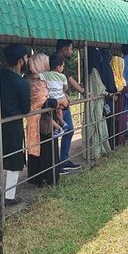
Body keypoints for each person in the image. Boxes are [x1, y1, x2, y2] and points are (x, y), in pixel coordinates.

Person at [0, 45, 31, 205]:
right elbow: (26, 109)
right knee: (14, 161)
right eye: (26, 58)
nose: (27, 61)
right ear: (20, 60)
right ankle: (9, 196)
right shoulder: (22, 83)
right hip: (12, 126)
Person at [26, 54, 66, 186]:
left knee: (41, 148)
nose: (48, 65)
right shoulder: (37, 83)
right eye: (45, 62)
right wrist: (60, 101)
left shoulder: (33, 79)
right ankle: (47, 179)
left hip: (39, 118)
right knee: (47, 149)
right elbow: (44, 102)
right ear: (39, 64)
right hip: (42, 119)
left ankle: (38, 178)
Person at [52, 40, 82, 172]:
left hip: (61, 103)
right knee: (62, 132)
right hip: (58, 104)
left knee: (67, 130)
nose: (71, 52)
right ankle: (58, 162)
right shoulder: (57, 62)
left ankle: (62, 160)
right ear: (64, 49)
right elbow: (69, 80)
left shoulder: (57, 61)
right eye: (70, 49)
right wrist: (82, 91)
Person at [86, 47, 111, 159]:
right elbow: (101, 89)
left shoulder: (87, 69)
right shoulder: (95, 70)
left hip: (91, 101)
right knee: (98, 126)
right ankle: (97, 152)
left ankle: (91, 151)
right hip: (97, 103)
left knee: (91, 124)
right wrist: (107, 93)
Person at [39, 55, 71, 136]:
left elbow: (37, 77)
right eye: (63, 66)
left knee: (46, 115)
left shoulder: (45, 74)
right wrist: (61, 92)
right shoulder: (63, 76)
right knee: (59, 111)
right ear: (58, 67)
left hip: (52, 99)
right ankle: (63, 123)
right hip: (62, 98)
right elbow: (66, 88)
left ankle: (58, 128)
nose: (63, 67)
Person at [110, 55, 128, 147]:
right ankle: (117, 141)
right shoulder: (112, 76)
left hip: (122, 101)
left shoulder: (119, 76)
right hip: (116, 102)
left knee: (122, 118)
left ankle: (121, 140)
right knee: (117, 119)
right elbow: (117, 88)